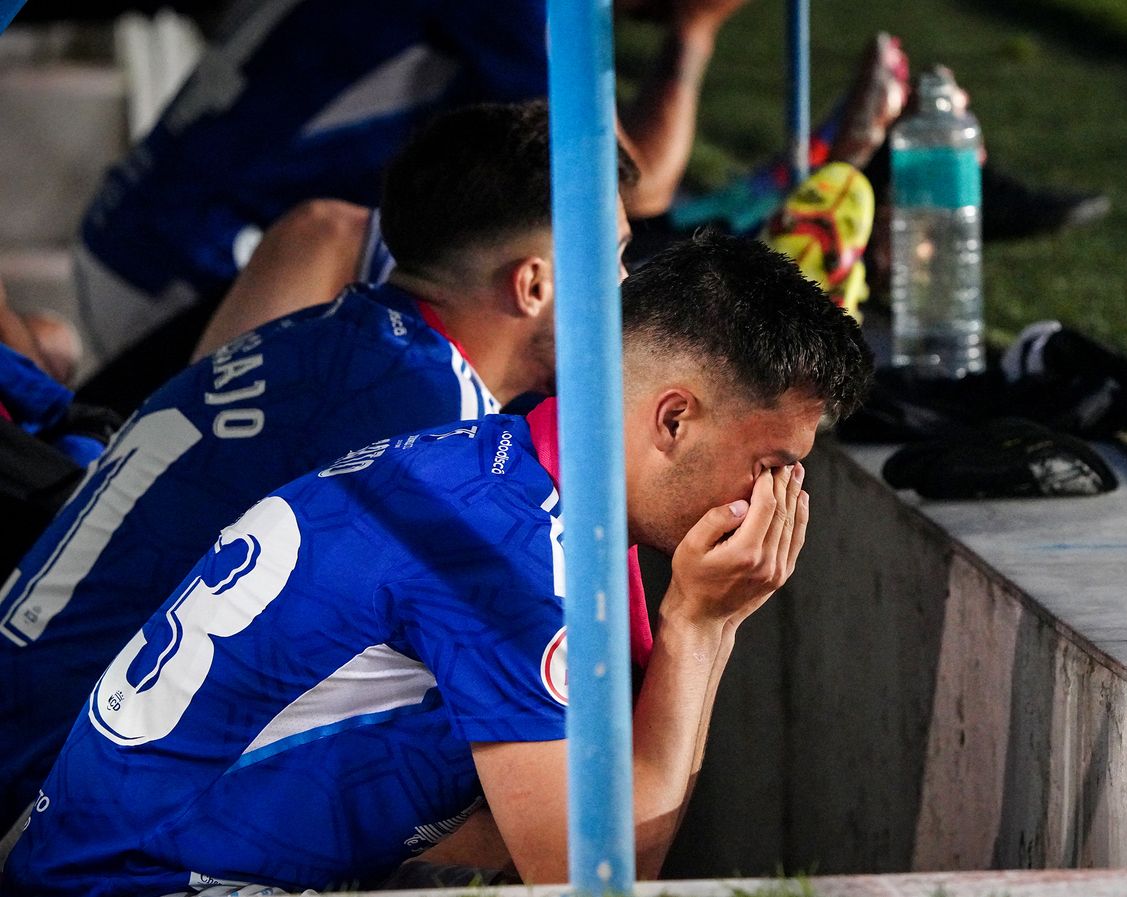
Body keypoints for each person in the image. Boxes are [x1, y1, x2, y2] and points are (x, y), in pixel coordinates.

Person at [1, 233, 874, 894]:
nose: (779, 500)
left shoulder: (497, 464)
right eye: (772, 465)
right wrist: (704, 624)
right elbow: (601, 872)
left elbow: (491, 829)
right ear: (673, 419)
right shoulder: (509, 556)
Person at [0, 101, 635, 828]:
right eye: (614, 259)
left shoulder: (324, 339)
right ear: (533, 285)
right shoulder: (431, 433)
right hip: (49, 805)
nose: (628, 290)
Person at [71, 0, 749, 414]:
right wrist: (696, 30)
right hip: (183, 264)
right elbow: (630, 185)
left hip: (137, 230)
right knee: (368, 255)